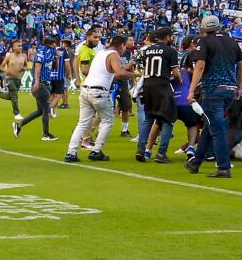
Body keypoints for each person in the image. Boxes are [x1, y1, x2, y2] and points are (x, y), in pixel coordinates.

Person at [186, 14, 242, 179]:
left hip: (213, 90)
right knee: (210, 126)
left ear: (203, 28)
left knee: (216, 128)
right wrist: (239, 88)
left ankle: (223, 167)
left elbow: (200, 66)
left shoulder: (205, 42)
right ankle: (195, 162)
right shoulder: (231, 42)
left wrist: (191, 90)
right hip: (229, 91)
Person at [65, 34, 137, 164]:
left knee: (82, 123)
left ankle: (71, 152)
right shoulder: (114, 54)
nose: (125, 50)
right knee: (108, 121)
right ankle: (96, 151)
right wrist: (138, 75)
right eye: (125, 46)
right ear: (121, 45)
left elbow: (111, 75)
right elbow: (119, 74)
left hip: (86, 89)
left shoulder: (100, 53)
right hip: (98, 91)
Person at [135, 28, 180, 163]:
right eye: (171, 36)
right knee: (168, 119)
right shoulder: (170, 51)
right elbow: (176, 73)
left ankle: (140, 149)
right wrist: (180, 80)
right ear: (167, 37)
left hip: (147, 84)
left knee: (148, 118)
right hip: (162, 85)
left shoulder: (146, 50)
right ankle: (161, 153)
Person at [14, 36, 61, 141]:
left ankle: (19, 125)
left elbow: (54, 66)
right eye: (54, 44)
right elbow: (37, 69)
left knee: (40, 111)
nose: (56, 46)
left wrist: (56, 58)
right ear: (49, 44)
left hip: (47, 82)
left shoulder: (51, 51)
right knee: (46, 108)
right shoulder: (40, 54)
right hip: (41, 83)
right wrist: (36, 82)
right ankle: (46, 134)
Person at [0, 41, 29, 120]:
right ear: (13, 47)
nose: (20, 47)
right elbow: (1, 67)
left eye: (21, 46)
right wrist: (7, 71)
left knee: (12, 96)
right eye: (18, 46)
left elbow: (26, 66)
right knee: (14, 95)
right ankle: (16, 113)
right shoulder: (9, 56)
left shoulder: (24, 56)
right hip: (9, 78)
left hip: (18, 79)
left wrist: (23, 68)